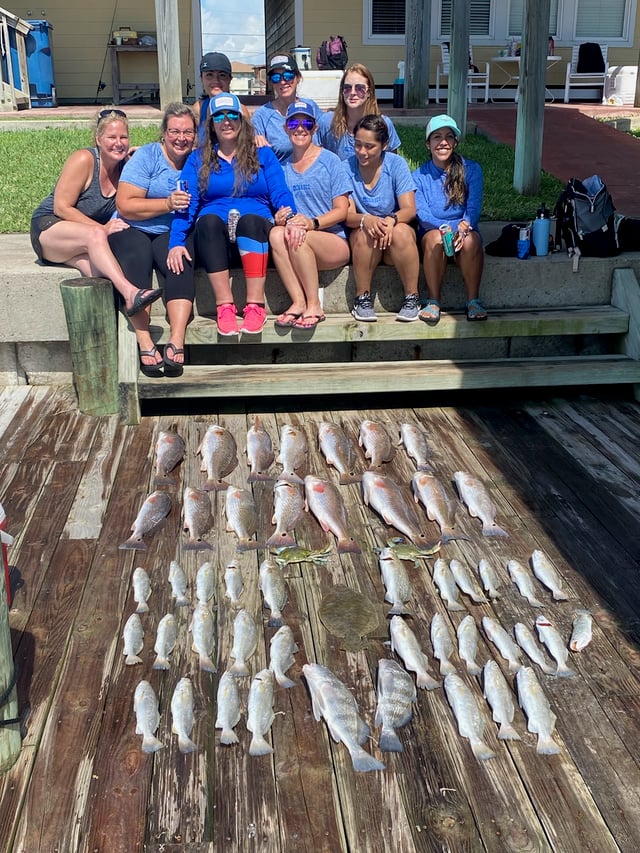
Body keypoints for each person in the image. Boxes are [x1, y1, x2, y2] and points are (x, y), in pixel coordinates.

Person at [30, 107, 163, 359]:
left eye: (123, 137)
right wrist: (100, 229)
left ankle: (130, 346)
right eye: (111, 137)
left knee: (98, 276)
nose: (118, 143)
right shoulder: (84, 159)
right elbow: (61, 206)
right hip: (50, 229)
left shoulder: (127, 169)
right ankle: (132, 293)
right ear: (98, 139)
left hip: (79, 240)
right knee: (98, 240)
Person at [167, 92, 296, 336]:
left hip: (255, 238)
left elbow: (280, 192)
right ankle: (224, 306)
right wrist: (176, 242)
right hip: (216, 244)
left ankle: (255, 305)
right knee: (208, 222)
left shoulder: (263, 154)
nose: (226, 121)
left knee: (250, 221)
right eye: (219, 116)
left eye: (232, 115)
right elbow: (187, 203)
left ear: (241, 120)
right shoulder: (198, 159)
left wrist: (290, 217)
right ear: (212, 124)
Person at [110, 103, 197, 376]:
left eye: (187, 132)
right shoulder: (147, 156)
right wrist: (168, 203)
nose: (181, 138)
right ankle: (144, 340)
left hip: (173, 230)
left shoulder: (198, 161)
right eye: (174, 131)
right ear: (163, 133)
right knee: (136, 259)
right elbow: (125, 204)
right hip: (132, 225)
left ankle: (177, 338)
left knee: (180, 263)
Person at [269, 99, 351, 329]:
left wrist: (311, 223)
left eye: (307, 122)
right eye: (294, 122)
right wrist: (278, 218)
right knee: (276, 233)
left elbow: (342, 210)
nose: (300, 128)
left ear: (315, 128)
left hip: (332, 240)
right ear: (286, 128)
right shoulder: (282, 167)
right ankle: (298, 301)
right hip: (295, 238)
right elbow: (274, 208)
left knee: (297, 234)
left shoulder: (330, 161)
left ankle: (314, 304)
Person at [342, 114, 420, 323]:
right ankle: (362, 297)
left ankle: (412, 297)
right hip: (365, 233)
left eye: (369, 146)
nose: (362, 152)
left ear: (384, 145)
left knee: (402, 232)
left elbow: (409, 209)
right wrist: (366, 220)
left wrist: (390, 221)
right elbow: (346, 214)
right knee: (363, 234)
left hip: (392, 233)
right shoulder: (345, 167)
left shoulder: (396, 164)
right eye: (357, 145)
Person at [412, 114, 486, 324]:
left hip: (463, 230)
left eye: (448, 137)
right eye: (436, 137)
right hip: (434, 230)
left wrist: (462, 229)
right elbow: (423, 214)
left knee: (472, 241)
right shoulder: (418, 175)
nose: (443, 142)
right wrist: (445, 229)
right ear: (428, 144)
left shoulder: (472, 169)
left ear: (455, 142)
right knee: (435, 238)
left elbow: (473, 208)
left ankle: (473, 300)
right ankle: (434, 299)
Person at [316, 63, 401, 160]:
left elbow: (392, 163)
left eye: (360, 88)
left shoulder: (384, 124)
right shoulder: (327, 122)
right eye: (347, 88)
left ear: (369, 92)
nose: (352, 92)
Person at [252, 54, 322, 162]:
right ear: (271, 83)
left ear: (298, 78)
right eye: (276, 78)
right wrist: (254, 139)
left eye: (288, 75)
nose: (283, 81)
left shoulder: (311, 107)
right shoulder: (261, 116)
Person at [192, 52, 251, 139]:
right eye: (209, 75)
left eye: (222, 75)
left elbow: (248, 142)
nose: (216, 80)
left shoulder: (240, 110)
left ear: (230, 79)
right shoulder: (198, 109)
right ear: (201, 79)